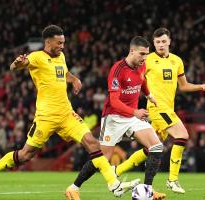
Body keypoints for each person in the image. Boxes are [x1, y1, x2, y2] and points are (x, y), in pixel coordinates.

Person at [0, 25, 139, 199]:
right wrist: (17, 63)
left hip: (67, 114)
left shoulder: (61, 56)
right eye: (59, 43)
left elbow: (63, 73)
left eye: (63, 43)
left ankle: (114, 185)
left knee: (92, 143)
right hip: (46, 117)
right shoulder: (37, 57)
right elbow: (15, 67)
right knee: (25, 154)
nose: (62, 46)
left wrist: (74, 79)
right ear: (48, 41)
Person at [67, 36, 166, 200]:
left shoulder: (142, 66)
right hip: (113, 118)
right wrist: (135, 112)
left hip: (133, 117)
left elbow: (142, 82)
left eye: (147, 54)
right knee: (102, 158)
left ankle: (148, 190)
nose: (145, 58)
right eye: (142, 54)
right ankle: (73, 188)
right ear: (132, 51)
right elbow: (114, 100)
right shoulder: (117, 70)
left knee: (156, 146)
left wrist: (149, 96)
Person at [145, 27, 205, 193]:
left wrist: (200, 87)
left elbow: (184, 86)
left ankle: (118, 172)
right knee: (182, 135)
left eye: (163, 41)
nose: (161, 44)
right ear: (153, 43)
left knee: (152, 146)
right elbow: (136, 81)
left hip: (169, 108)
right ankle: (172, 179)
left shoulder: (177, 61)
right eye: (157, 42)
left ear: (169, 42)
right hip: (157, 107)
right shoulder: (147, 60)